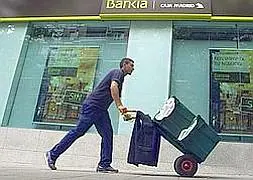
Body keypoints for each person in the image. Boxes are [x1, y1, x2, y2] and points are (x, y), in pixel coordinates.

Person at [45, 57, 135, 173]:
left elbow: (113, 91)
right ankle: (52, 154)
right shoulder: (117, 72)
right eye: (131, 65)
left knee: (107, 134)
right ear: (124, 64)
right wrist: (119, 105)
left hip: (101, 110)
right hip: (92, 107)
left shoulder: (120, 77)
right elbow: (113, 87)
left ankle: (104, 165)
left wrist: (123, 110)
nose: (133, 68)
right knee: (78, 131)